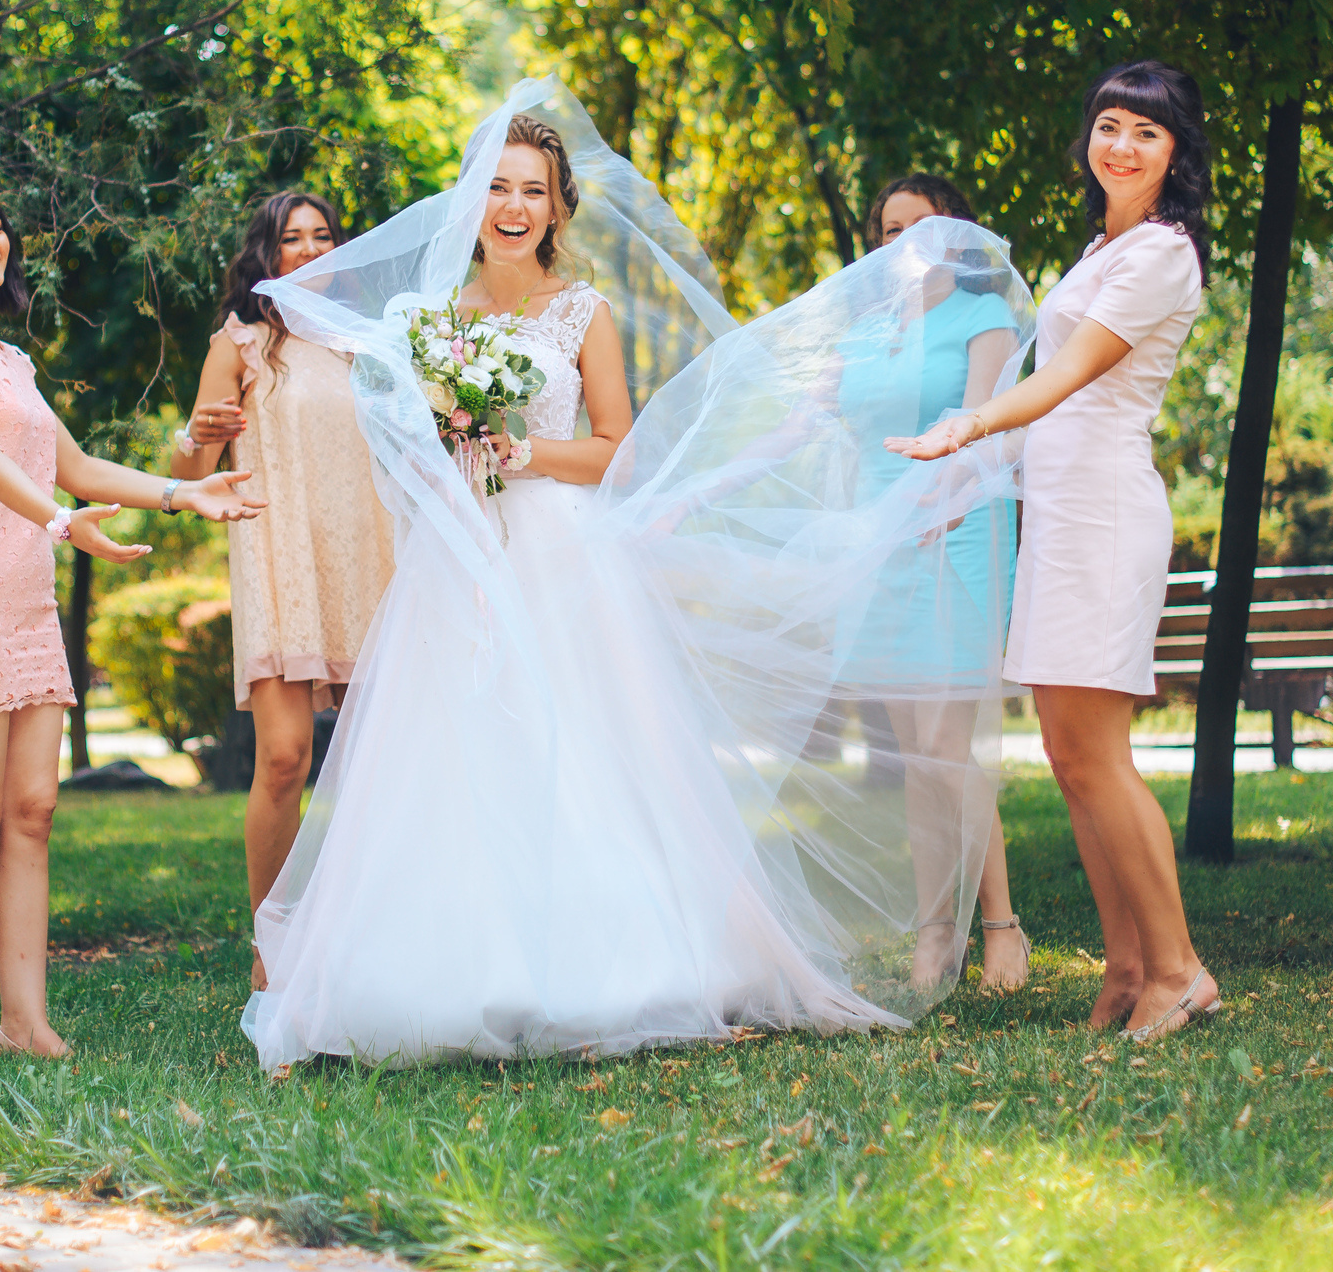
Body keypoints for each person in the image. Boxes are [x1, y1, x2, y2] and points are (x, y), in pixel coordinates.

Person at [240, 83, 1028, 1069]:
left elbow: (613, 446)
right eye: (497, 186)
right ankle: (446, 966)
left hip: (559, 550)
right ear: (472, 203)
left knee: (580, 747)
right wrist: (447, 453)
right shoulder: (431, 320)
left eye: (533, 188)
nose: (514, 205)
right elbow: (408, 445)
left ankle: (607, 966)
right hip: (458, 561)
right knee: (454, 752)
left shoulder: (582, 310)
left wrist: (520, 452)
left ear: (558, 207)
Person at [0, 179, 265, 1061]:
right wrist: (56, 521)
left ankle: (25, 1024)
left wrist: (181, 491)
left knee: (34, 811)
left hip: (26, 607)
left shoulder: (11, 360)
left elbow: (78, 464)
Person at [887, 61, 1219, 1042]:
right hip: (1060, 510)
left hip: (1105, 513)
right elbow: (1041, 419)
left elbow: (1067, 378)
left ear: (1176, 153)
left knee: (1099, 756)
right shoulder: (1100, 250)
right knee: (1069, 756)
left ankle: (1179, 967)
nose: (1120, 145)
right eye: (1108, 125)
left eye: (1146, 133)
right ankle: (1123, 968)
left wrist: (968, 421)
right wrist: (962, 482)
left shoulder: (1160, 254)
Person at [169, 192, 395, 989]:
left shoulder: (368, 346)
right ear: (265, 254)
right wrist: (193, 438)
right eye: (289, 238)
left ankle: (376, 937)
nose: (305, 250)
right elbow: (192, 471)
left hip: (369, 558)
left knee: (383, 763)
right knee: (285, 757)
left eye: (321, 237)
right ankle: (272, 949)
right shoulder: (240, 342)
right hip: (280, 560)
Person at [845, 175, 1027, 993]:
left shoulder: (981, 316)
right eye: (890, 229)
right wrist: (690, 492)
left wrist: (950, 497)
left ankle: (1001, 927)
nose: (905, 240)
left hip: (961, 531)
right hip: (886, 542)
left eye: (921, 225)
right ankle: (933, 932)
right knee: (917, 752)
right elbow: (804, 420)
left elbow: (992, 426)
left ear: (954, 235)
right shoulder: (866, 330)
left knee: (949, 746)